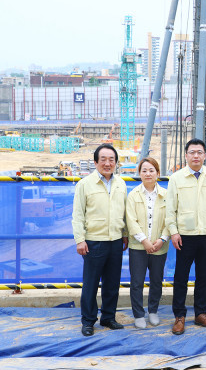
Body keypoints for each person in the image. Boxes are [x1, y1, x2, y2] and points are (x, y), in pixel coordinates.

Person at [166, 138, 206, 335]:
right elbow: (170, 209)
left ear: (205, 155)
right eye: (192, 152)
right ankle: (179, 316)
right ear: (186, 155)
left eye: (200, 152)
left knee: (203, 276)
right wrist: (174, 231)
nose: (196, 156)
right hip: (185, 235)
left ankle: (201, 313)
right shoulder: (176, 178)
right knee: (181, 277)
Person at [72, 143, 128, 337]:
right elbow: (78, 215)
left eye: (111, 159)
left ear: (116, 163)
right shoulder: (85, 184)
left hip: (116, 241)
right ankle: (88, 321)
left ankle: (108, 317)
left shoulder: (121, 184)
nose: (107, 163)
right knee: (91, 284)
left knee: (112, 284)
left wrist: (125, 234)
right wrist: (80, 239)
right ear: (95, 162)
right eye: (103, 159)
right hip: (93, 241)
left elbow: (124, 212)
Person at [126, 157, 170, 329]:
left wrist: (162, 239)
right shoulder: (133, 195)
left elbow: (170, 220)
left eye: (151, 170)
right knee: (137, 282)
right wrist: (144, 241)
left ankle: (153, 311)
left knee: (156, 281)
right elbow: (131, 221)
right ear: (139, 173)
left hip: (160, 247)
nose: (148, 174)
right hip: (138, 247)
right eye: (144, 170)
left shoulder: (166, 195)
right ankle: (138, 314)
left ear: (158, 173)